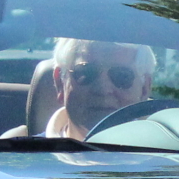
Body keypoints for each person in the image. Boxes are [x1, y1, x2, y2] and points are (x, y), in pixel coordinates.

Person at [24, 39, 155, 139]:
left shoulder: (168, 160)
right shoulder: (24, 162)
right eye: (86, 73)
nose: (103, 89)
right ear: (60, 83)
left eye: (122, 76)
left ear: (144, 88)